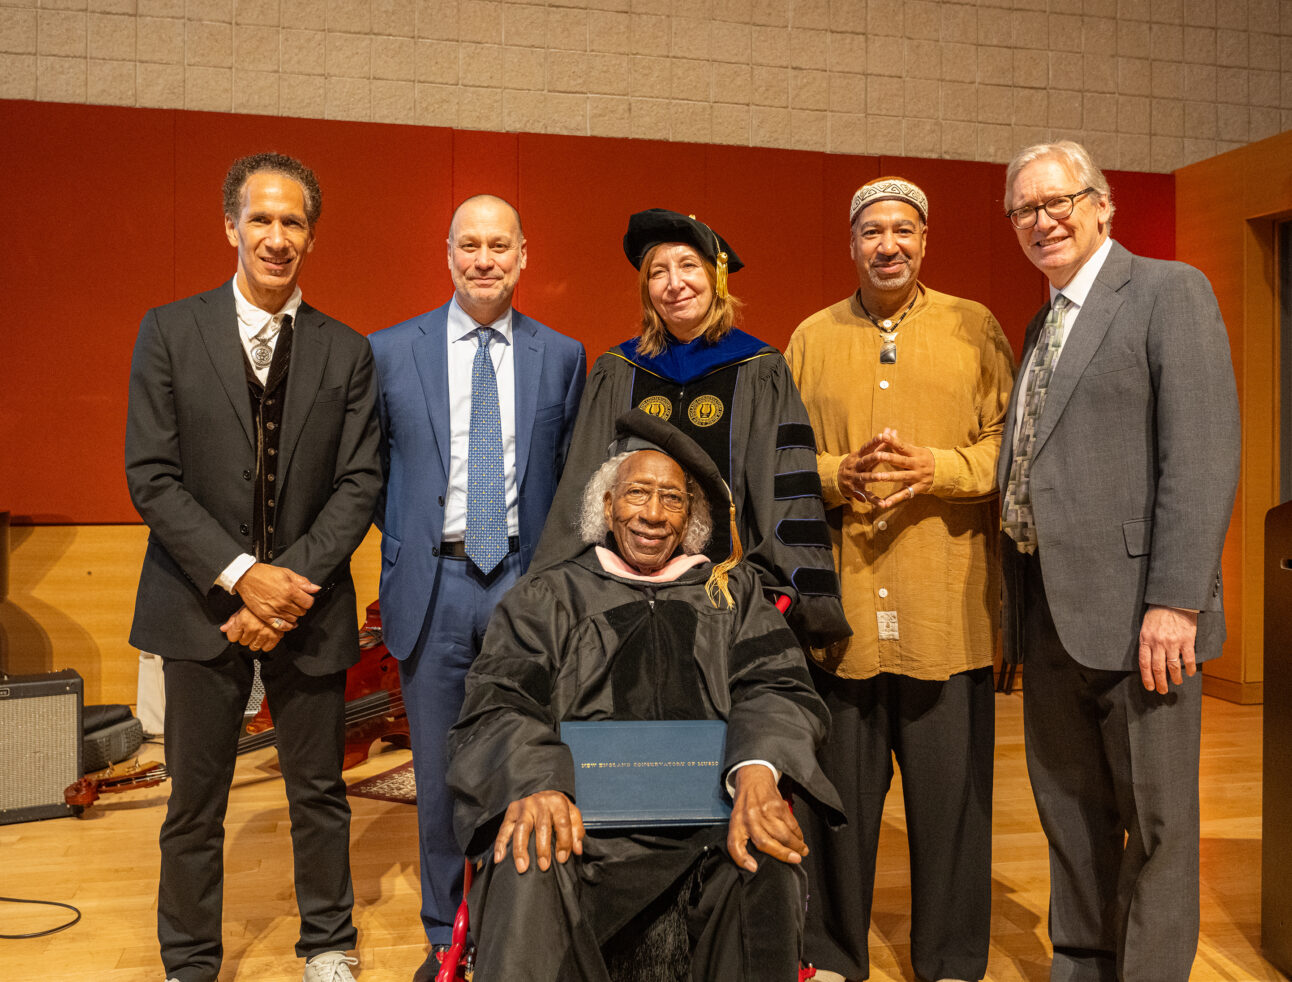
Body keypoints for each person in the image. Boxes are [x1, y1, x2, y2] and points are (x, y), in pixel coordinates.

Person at [447, 409, 844, 982]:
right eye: (637, 494)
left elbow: (776, 685)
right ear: (607, 507)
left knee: (769, 856)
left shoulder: (730, 595)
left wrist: (759, 770)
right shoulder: (549, 595)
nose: (653, 515)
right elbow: (499, 699)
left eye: (672, 499)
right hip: (577, 829)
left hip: (709, 826)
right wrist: (535, 781)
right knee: (526, 849)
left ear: (691, 518)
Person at [125, 152, 381, 982]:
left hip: (311, 605)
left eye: (293, 222)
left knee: (319, 794)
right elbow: (151, 476)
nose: (277, 237)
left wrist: (285, 587)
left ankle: (329, 944)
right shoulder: (168, 330)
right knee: (193, 805)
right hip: (197, 603)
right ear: (230, 226)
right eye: (261, 220)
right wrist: (241, 575)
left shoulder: (348, 352)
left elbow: (359, 481)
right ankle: (191, 962)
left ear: (312, 235)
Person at [999, 140, 1240, 981]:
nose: (1044, 220)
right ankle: (1083, 959)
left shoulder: (1170, 292)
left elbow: (1203, 455)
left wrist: (1176, 600)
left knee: (1158, 820)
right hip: (1050, 613)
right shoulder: (1042, 322)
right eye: (1025, 209)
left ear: (1104, 204)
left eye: (1060, 200)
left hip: (1145, 615)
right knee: (1071, 809)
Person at [785, 177, 1015, 982]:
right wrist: (834, 472)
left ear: (925, 243)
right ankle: (833, 955)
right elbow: (778, 464)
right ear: (852, 244)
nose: (889, 244)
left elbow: (1008, 450)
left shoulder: (974, 328)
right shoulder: (810, 339)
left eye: (905, 231)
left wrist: (940, 468)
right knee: (837, 804)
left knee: (952, 804)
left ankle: (950, 959)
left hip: (943, 607)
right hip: (838, 612)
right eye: (873, 231)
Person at [367, 194, 586, 980]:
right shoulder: (391, 351)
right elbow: (367, 477)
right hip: (434, 585)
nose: (484, 259)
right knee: (436, 775)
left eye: (500, 245)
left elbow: (565, 483)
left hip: (524, 584)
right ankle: (442, 934)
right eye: (470, 245)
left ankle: (509, 918)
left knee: (526, 760)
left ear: (525, 256)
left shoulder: (562, 356)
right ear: (447, 254)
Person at [531, 208, 849, 650]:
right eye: (658, 272)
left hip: (726, 594)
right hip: (622, 597)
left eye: (688, 266)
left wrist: (781, 593)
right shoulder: (617, 371)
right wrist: (552, 591)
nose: (674, 283)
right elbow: (582, 487)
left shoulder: (759, 370)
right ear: (647, 290)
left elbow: (783, 491)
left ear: (716, 279)